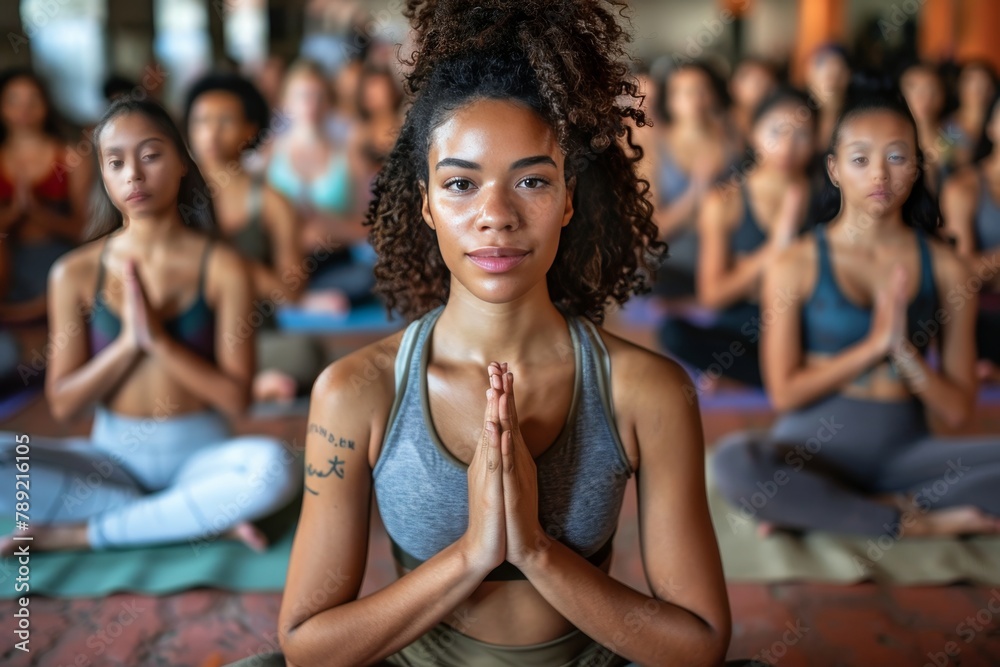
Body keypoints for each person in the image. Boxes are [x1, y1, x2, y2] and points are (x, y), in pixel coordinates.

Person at [229, 2, 736, 666]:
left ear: (570, 198)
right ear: (425, 203)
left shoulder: (647, 390)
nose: (495, 215)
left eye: (530, 180)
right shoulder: (356, 391)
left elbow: (697, 644)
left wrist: (534, 550)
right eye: (462, 184)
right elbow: (307, 645)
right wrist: (473, 555)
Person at [0, 98, 300, 554]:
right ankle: (186, 517)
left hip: (201, 459)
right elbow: (64, 405)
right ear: (103, 175)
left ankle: (84, 533)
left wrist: (160, 342)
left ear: (182, 162)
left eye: (151, 155)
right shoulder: (75, 272)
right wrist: (127, 345)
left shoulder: (222, 268)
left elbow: (237, 398)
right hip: (109, 465)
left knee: (276, 468)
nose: (133, 175)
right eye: (115, 162)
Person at [712, 81, 1000, 539]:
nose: (880, 176)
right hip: (812, 452)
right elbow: (784, 394)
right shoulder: (797, 262)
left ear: (917, 167)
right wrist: (872, 348)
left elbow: (959, 411)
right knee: (732, 463)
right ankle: (907, 523)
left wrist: (905, 355)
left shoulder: (946, 268)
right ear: (834, 169)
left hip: (908, 455)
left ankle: (840, 510)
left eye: (897, 157)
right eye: (861, 159)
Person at [660, 87, 816, 389]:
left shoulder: (825, 195)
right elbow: (712, 294)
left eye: (801, 135)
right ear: (754, 133)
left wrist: (752, 273)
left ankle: (757, 376)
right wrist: (776, 249)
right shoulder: (726, 200)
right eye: (775, 132)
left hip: (803, 330)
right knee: (673, 333)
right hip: (742, 332)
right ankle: (773, 375)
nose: (787, 146)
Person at [185, 72, 324, 402]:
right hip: (188, 332)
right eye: (201, 121)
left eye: (225, 121)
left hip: (250, 337)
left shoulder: (273, 201)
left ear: (250, 130)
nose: (211, 132)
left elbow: (291, 292)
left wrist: (229, 263)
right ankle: (248, 384)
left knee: (306, 354)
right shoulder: (172, 195)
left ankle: (230, 381)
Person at [267, 59, 371, 312]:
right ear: (286, 102)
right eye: (302, 96)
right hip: (281, 261)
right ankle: (299, 299)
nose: (310, 105)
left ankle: (290, 298)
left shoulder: (348, 154)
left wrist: (332, 228)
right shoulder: (269, 155)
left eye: (318, 96)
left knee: (367, 279)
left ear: (329, 102)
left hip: (332, 262)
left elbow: (369, 224)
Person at [0, 68, 92, 324]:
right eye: (13, 101)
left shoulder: (72, 158)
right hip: (8, 261)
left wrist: (39, 214)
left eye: (33, 100)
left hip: (58, 256)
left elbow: (87, 231)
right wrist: (14, 214)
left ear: (46, 105)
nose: (24, 109)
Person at [647, 61, 739, 300]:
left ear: (713, 96)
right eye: (685, 92)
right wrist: (696, 191)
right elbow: (651, 231)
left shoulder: (733, 146)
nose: (695, 98)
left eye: (702, 89)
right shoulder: (654, 150)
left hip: (724, 264)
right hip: (668, 269)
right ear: (671, 101)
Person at [940, 93, 1000, 383]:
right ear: (991, 127)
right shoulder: (964, 186)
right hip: (984, 317)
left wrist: (989, 262)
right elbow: (963, 274)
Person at [899, 62, 952, 193]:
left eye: (931, 90)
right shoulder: (886, 135)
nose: (924, 98)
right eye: (914, 88)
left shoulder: (954, 135)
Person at [943, 61, 997, 170]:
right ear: (959, 87)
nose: (977, 89)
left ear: (992, 90)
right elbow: (942, 161)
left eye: (983, 83)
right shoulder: (947, 125)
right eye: (970, 81)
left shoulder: (996, 122)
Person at [805, 44, 851, 154]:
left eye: (838, 71)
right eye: (821, 66)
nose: (831, 81)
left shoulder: (857, 118)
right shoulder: (797, 112)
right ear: (808, 76)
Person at [728, 57, 779, 149]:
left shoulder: (777, 122)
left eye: (769, 84)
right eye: (757, 83)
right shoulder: (721, 126)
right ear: (734, 87)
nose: (765, 90)